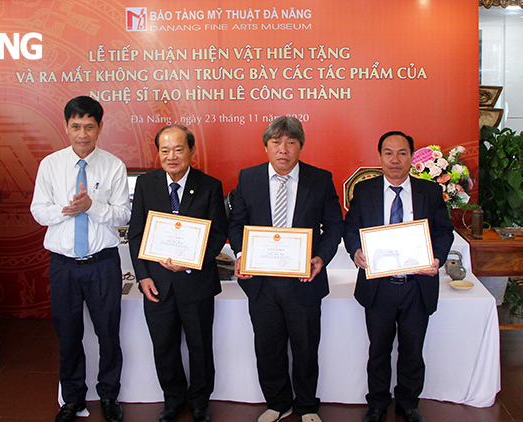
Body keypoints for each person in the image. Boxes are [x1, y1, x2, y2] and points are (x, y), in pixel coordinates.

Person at [228, 116, 344, 422]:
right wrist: (240, 254)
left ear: (300, 146)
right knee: (268, 347)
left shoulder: (320, 179)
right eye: (276, 142)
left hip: (304, 280)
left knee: (306, 348)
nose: (283, 149)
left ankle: (306, 405)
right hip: (261, 282)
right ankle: (278, 402)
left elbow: (334, 226)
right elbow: (236, 223)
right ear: (266, 146)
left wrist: (320, 258)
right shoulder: (248, 178)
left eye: (291, 142)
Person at [30, 96, 130, 422]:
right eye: (76, 126)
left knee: (108, 334)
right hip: (63, 265)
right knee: (68, 335)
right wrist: (66, 210)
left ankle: (109, 395)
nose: (82, 134)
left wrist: (92, 207)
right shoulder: (50, 164)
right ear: (66, 127)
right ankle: (72, 399)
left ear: (100, 127)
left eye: (89, 126)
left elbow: (123, 214)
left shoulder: (113, 165)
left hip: (103, 264)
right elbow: (37, 210)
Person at [343, 131, 454, 422]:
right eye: (389, 153)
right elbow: (350, 229)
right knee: (378, 349)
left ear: (411, 158)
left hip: (417, 285)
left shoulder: (429, 192)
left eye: (402, 153)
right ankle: (377, 403)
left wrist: (437, 259)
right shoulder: (365, 192)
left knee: (412, 350)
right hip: (378, 286)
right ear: (380, 157)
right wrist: (356, 251)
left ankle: (408, 403)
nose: (395, 160)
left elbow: (443, 231)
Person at [128, 125, 228, 422]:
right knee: (164, 346)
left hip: (195, 282)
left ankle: (199, 400)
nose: (171, 156)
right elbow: (136, 234)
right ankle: (172, 399)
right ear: (157, 152)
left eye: (178, 149)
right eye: (164, 150)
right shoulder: (146, 185)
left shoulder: (210, 185)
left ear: (191, 152)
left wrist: (190, 262)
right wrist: (143, 276)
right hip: (156, 284)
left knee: (200, 346)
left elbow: (218, 234)